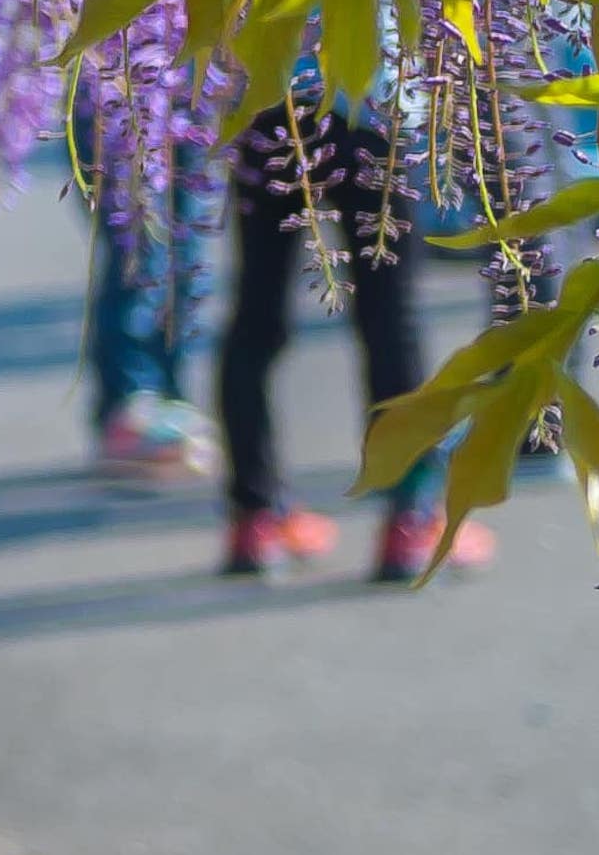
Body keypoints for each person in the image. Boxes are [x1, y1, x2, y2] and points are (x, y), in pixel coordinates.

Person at [214, 88, 491, 583]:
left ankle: (255, 518)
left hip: (264, 101)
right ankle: (409, 519)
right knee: (389, 318)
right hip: (368, 105)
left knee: (257, 316)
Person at [65, 79, 213, 482]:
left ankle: (167, 394)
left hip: (185, 76)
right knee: (138, 244)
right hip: (114, 82)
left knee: (184, 243)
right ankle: (130, 399)